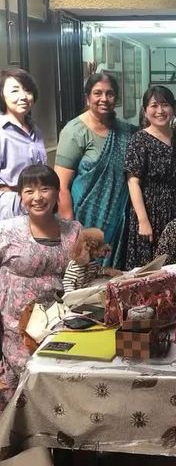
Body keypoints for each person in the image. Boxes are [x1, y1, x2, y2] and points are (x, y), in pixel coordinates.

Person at [0, 165, 81, 411]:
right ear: (20, 196)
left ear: (57, 193)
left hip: (61, 326)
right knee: (23, 389)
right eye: (29, 191)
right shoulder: (7, 231)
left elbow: (82, 276)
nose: (38, 197)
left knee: (61, 390)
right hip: (15, 328)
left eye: (45, 189)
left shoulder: (73, 231)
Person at [54, 72, 135, 268]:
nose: (104, 99)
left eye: (110, 93)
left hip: (118, 220)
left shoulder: (127, 132)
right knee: (84, 273)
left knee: (113, 275)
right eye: (98, 93)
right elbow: (61, 185)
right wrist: (70, 228)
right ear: (87, 97)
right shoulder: (74, 131)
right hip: (84, 219)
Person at [125, 85, 176, 269]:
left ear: (173, 109)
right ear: (145, 110)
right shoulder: (139, 140)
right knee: (148, 268)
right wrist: (143, 220)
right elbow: (133, 182)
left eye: (165, 104)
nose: (160, 110)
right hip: (149, 211)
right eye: (154, 105)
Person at [0, 68, 47, 219]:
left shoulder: (36, 130)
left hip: (38, 206)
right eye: (15, 91)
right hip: (9, 211)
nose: (24, 97)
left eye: (27, 90)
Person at [62, 228, 121, 293]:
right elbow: (68, 283)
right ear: (87, 248)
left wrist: (108, 271)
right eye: (98, 246)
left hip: (89, 291)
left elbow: (96, 270)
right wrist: (72, 296)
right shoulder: (75, 267)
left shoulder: (92, 261)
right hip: (78, 294)